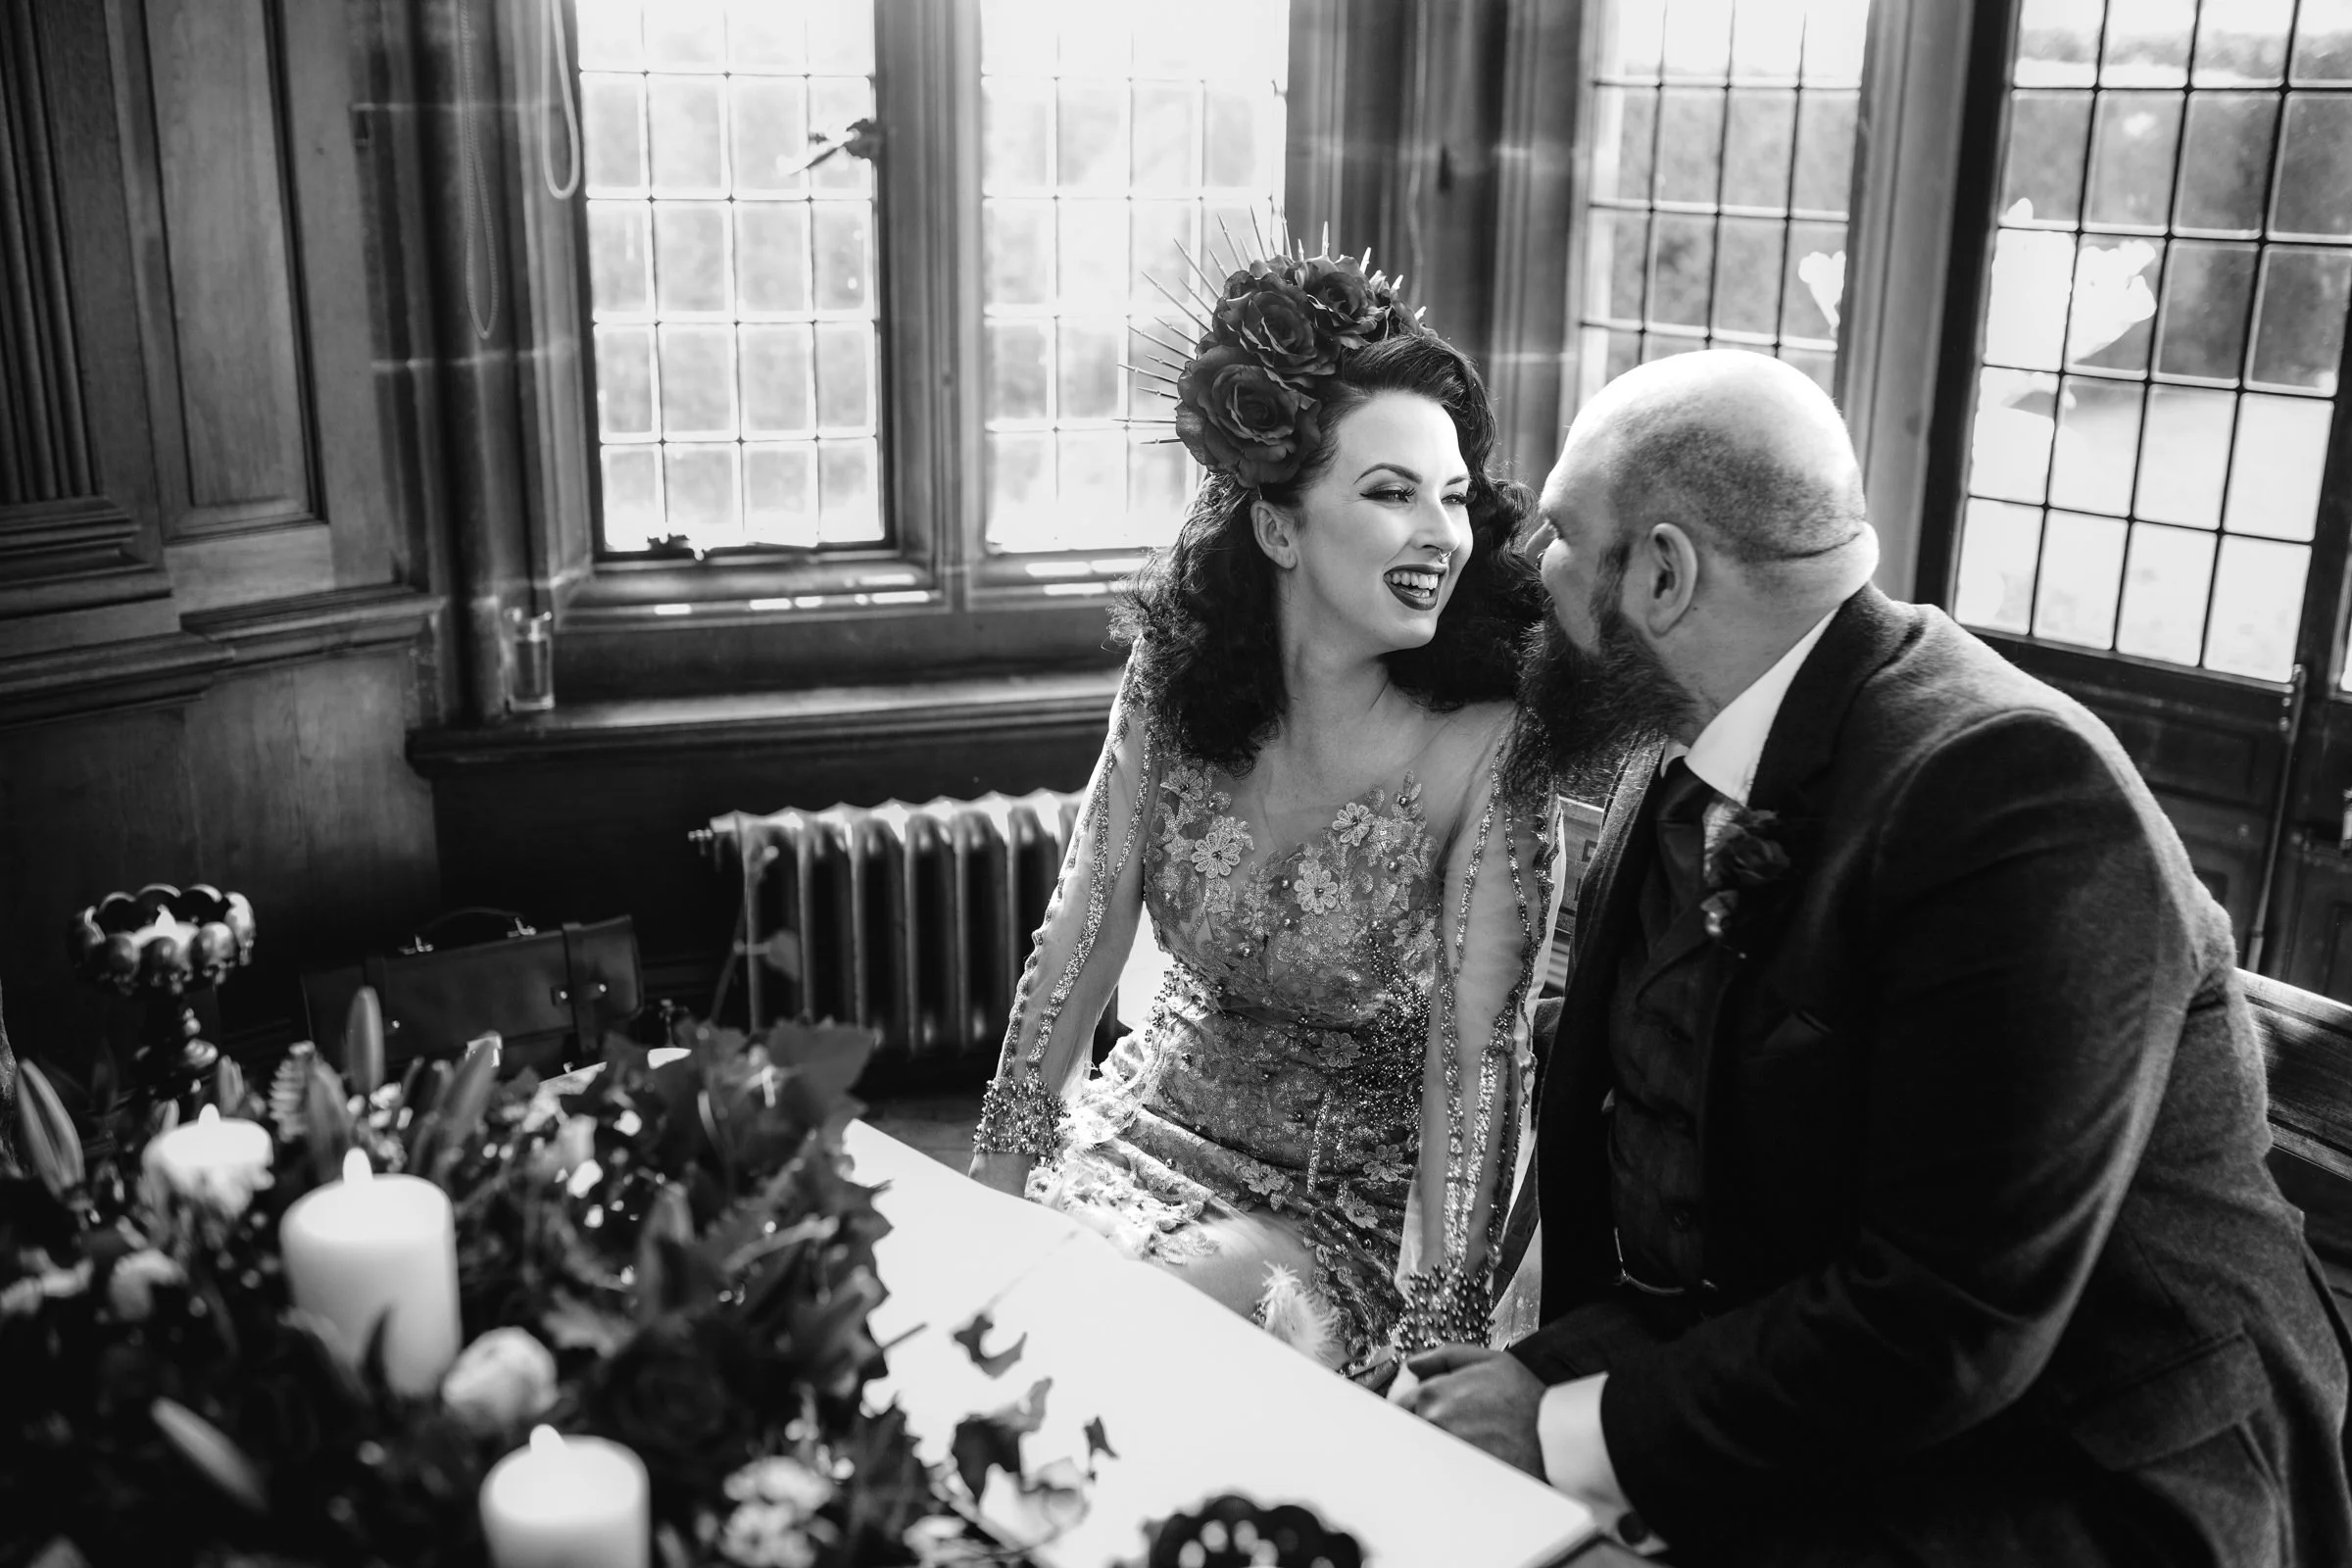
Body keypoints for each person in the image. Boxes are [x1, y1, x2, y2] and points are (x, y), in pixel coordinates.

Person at [1403, 349, 2352, 1564]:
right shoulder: (1682, 749)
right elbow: (1704, 1208)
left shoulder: (2016, 798)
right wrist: (1519, 1382)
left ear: (1662, 571)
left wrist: (1561, 1426)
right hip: (1832, 1394)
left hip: (2080, 1477)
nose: (1532, 575)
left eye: (1559, 537)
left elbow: (1951, 1319)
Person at [966, 248, 1564, 1377]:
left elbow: (1475, 1061)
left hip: (1348, 1201)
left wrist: (1440, 1340)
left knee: (1131, 1336)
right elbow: (1081, 935)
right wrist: (997, 1182)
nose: (1442, 532)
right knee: (997, 1307)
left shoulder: (1488, 739)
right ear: (1280, 528)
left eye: (1452, 495)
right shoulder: (1173, 673)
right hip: (1150, 1117)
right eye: (1391, 493)